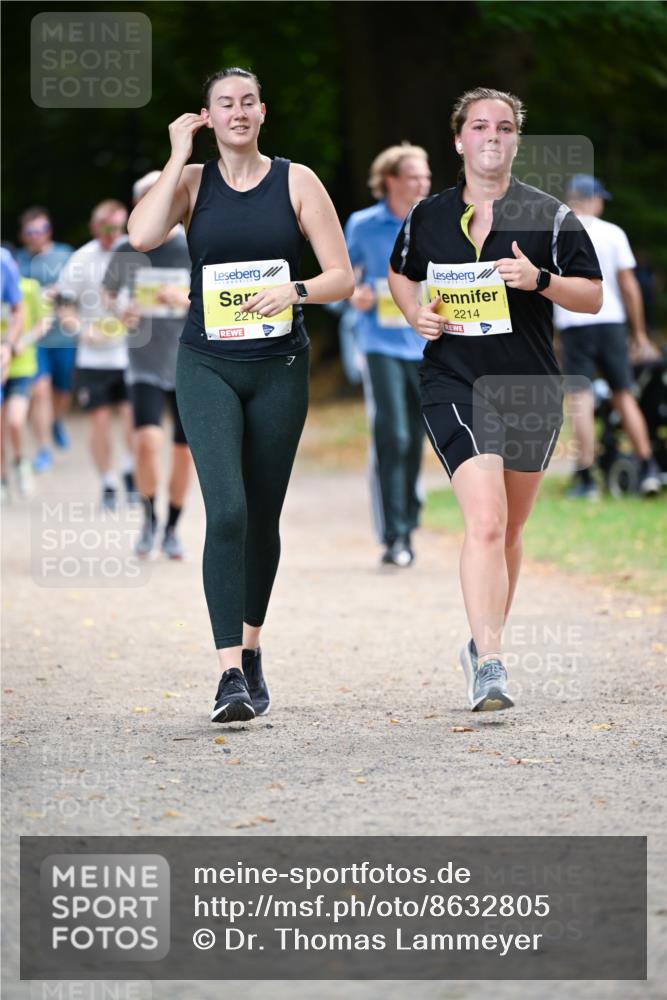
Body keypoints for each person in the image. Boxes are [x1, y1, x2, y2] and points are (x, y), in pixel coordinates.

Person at [128, 67, 354, 723]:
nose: (237, 111)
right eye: (224, 103)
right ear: (206, 116)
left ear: (262, 110)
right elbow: (142, 237)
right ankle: (229, 672)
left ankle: (252, 648)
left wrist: (296, 290)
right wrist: (176, 156)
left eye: (248, 101)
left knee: (262, 516)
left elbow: (340, 275)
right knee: (225, 511)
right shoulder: (192, 184)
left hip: (280, 365)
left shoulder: (298, 181)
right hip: (207, 365)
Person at [388, 87, 603, 712]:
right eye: (479, 126)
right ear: (458, 140)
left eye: (504, 127)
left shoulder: (551, 215)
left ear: (515, 141)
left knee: (510, 527)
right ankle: (491, 661)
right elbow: (401, 272)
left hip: (531, 386)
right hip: (454, 380)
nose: (492, 136)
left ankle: (483, 643)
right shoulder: (427, 216)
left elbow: (591, 296)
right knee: (483, 521)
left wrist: (539, 280)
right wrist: (415, 315)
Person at [345, 144, 432, 567]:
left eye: (426, 176)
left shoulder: (437, 222)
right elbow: (340, 279)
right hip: (378, 345)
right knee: (392, 436)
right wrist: (354, 296)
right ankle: (393, 533)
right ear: (391, 180)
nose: (422, 183)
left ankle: (409, 523)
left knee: (416, 438)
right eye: (414, 175)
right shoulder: (362, 225)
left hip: (426, 345)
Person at [103, 171, 194, 559]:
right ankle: (148, 521)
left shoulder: (195, 245)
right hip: (144, 362)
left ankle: (172, 528)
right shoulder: (127, 249)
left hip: (190, 363)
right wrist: (120, 310)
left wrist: (188, 298)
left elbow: (221, 298)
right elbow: (108, 295)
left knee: (183, 452)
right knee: (145, 443)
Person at [553, 174, 662, 498]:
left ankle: (586, 478)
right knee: (623, 393)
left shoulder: (556, 234)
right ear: (590, 199)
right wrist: (639, 332)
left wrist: (554, 331)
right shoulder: (613, 233)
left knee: (580, 399)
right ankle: (647, 467)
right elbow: (628, 286)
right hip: (611, 322)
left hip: (574, 324)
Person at [57, 200, 136, 510]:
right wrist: (79, 329)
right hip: (94, 356)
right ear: (94, 227)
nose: (111, 234)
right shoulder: (81, 259)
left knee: (133, 418)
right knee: (100, 421)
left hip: (130, 352)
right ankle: (107, 482)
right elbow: (64, 304)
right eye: (105, 227)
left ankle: (130, 470)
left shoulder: (135, 253)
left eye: (117, 227)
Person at [14, 207, 74, 472]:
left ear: (49, 231)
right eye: (31, 232)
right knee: (40, 390)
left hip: (63, 335)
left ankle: (57, 420)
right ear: (24, 235)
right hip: (34, 338)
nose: (37, 236)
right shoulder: (18, 262)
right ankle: (43, 448)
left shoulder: (66, 255)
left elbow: (81, 289)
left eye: (42, 230)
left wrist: (58, 294)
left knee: (63, 390)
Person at [1, 276, 45, 498]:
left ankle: (20, 461)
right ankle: (2, 479)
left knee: (15, 421)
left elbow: (42, 322)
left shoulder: (28, 287)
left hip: (21, 367)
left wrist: (21, 343)